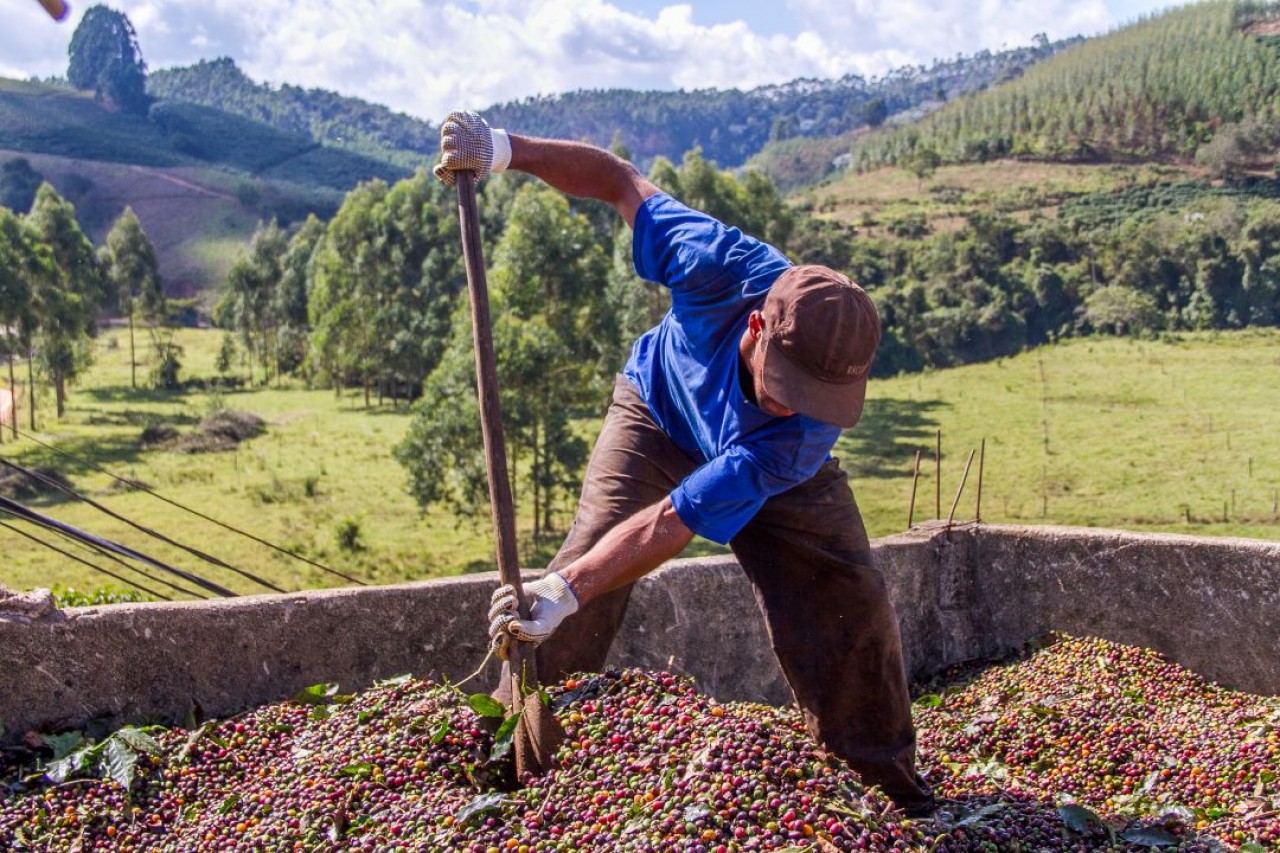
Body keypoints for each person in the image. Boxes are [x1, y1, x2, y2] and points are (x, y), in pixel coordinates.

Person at [434, 111, 934, 816]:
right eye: (784, 386)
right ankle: (509, 764)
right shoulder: (715, 261)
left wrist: (571, 585)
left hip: (756, 463)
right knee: (584, 569)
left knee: (847, 593)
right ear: (756, 324)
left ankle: (878, 791)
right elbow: (616, 179)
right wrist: (504, 151)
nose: (796, 405)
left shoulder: (800, 433)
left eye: (818, 396)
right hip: (657, 412)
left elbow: (678, 517)